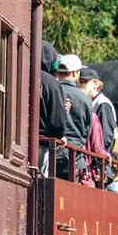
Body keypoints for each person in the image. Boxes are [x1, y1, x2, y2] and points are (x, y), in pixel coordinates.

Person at [54, 54, 92, 178]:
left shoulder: (50, 91)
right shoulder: (84, 98)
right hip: (73, 157)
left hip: (49, 153)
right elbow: (86, 130)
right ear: (75, 74)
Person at [39, 41, 67, 175]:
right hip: (42, 143)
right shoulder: (52, 83)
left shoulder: (19, 73)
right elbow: (57, 120)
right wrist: (60, 135)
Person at [80, 68, 117, 153]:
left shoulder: (102, 103)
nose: (80, 85)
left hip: (98, 159)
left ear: (95, 84)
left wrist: (100, 156)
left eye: (83, 82)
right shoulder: (92, 102)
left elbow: (105, 137)